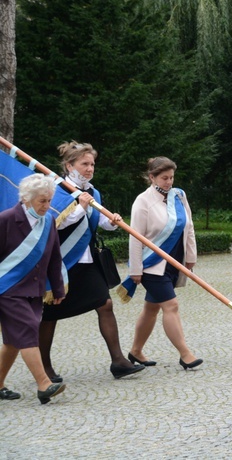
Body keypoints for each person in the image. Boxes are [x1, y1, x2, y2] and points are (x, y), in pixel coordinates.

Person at [39, 141, 144, 382]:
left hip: (86, 261)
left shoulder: (93, 192)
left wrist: (112, 221)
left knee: (105, 304)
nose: (89, 168)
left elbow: (95, 221)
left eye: (92, 164)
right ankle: (44, 367)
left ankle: (118, 361)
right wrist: (80, 207)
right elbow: (55, 222)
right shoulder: (57, 189)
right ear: (69, 165)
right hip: (61, 262)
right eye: (84, 163)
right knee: (49, 315)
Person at [121, 157, 201, 370]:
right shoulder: (143, 201)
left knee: (151, 308)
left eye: (171, 177)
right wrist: (135, 269)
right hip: (151, 264)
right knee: (171, 305)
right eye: (164, 178)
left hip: (174, 261)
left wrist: (191, 256)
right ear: (152, 177)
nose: (169, 182)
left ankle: (136, 350)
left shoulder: (179, 195)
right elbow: (135, 237)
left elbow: (189, 226)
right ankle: (186, 354)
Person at [0, 174, 67, 404]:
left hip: (34, 289)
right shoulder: (6, 219)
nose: (47, 206)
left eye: (49, 201)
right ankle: (44, 384)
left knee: (12, 340)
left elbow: (55, 258)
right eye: (42, 201)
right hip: (8, 289)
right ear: (26, 199)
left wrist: (58, 288)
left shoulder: (48, 222)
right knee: (28, 330)